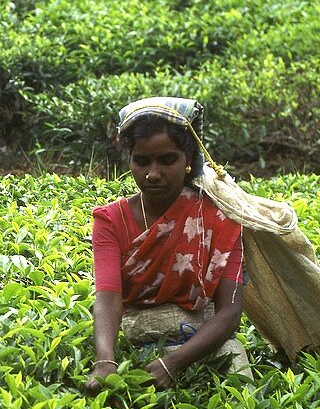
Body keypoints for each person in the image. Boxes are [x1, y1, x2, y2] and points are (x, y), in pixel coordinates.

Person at [85, 97, 250, 393]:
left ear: (188, 159)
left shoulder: (220, 216)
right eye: (142, 161)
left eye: (167, 160)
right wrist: (106, 361)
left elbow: (229, 312)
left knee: (237, 400)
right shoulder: (111, 220)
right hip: (141, 344)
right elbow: (108, 297)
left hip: (207, 345)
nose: (153, 174)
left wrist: (174, 362)